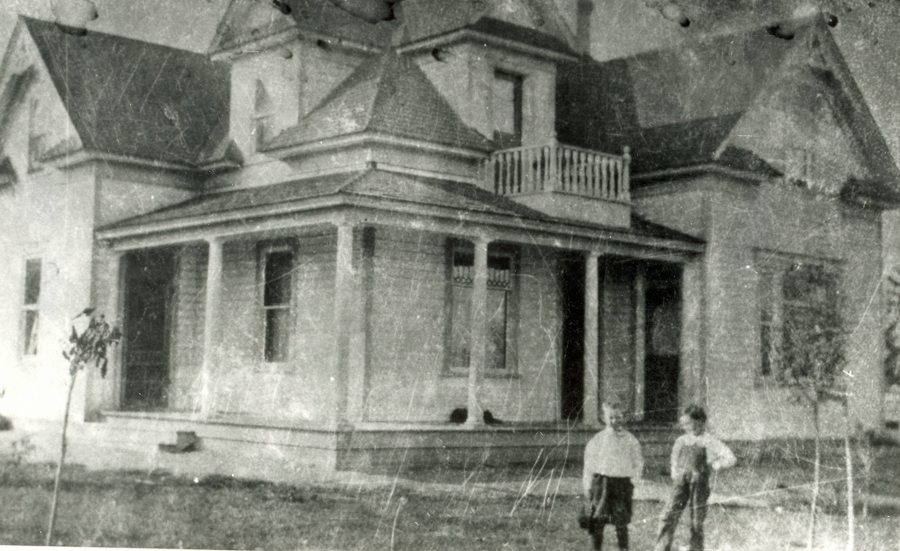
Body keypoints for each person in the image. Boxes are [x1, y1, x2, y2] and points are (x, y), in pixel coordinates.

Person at [654, 404, 736, 551]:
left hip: (699, 484)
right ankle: (661, 548)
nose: (684, 427)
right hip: (681, 482)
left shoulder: (710, 441)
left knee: (696, 520)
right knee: (669, 514)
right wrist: (675, 471)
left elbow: (730, 458)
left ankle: (696, 548)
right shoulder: (681, 440)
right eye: (683, 424)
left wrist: (716, 464)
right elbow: (674, 458)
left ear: (699, 422)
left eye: (688, 423)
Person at [581, 403, 644, 550]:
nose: (615, 421)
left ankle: (623, 548)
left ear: (624, 418)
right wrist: (587, 485)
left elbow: (638, 462)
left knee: (621, 522)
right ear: (604, 418)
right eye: (611, 417)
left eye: (618, 417)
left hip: (622, 484)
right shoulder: (598, 439)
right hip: (602, 483)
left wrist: (633, 481)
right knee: (597, 521)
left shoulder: (630, 439)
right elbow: (589, 464)